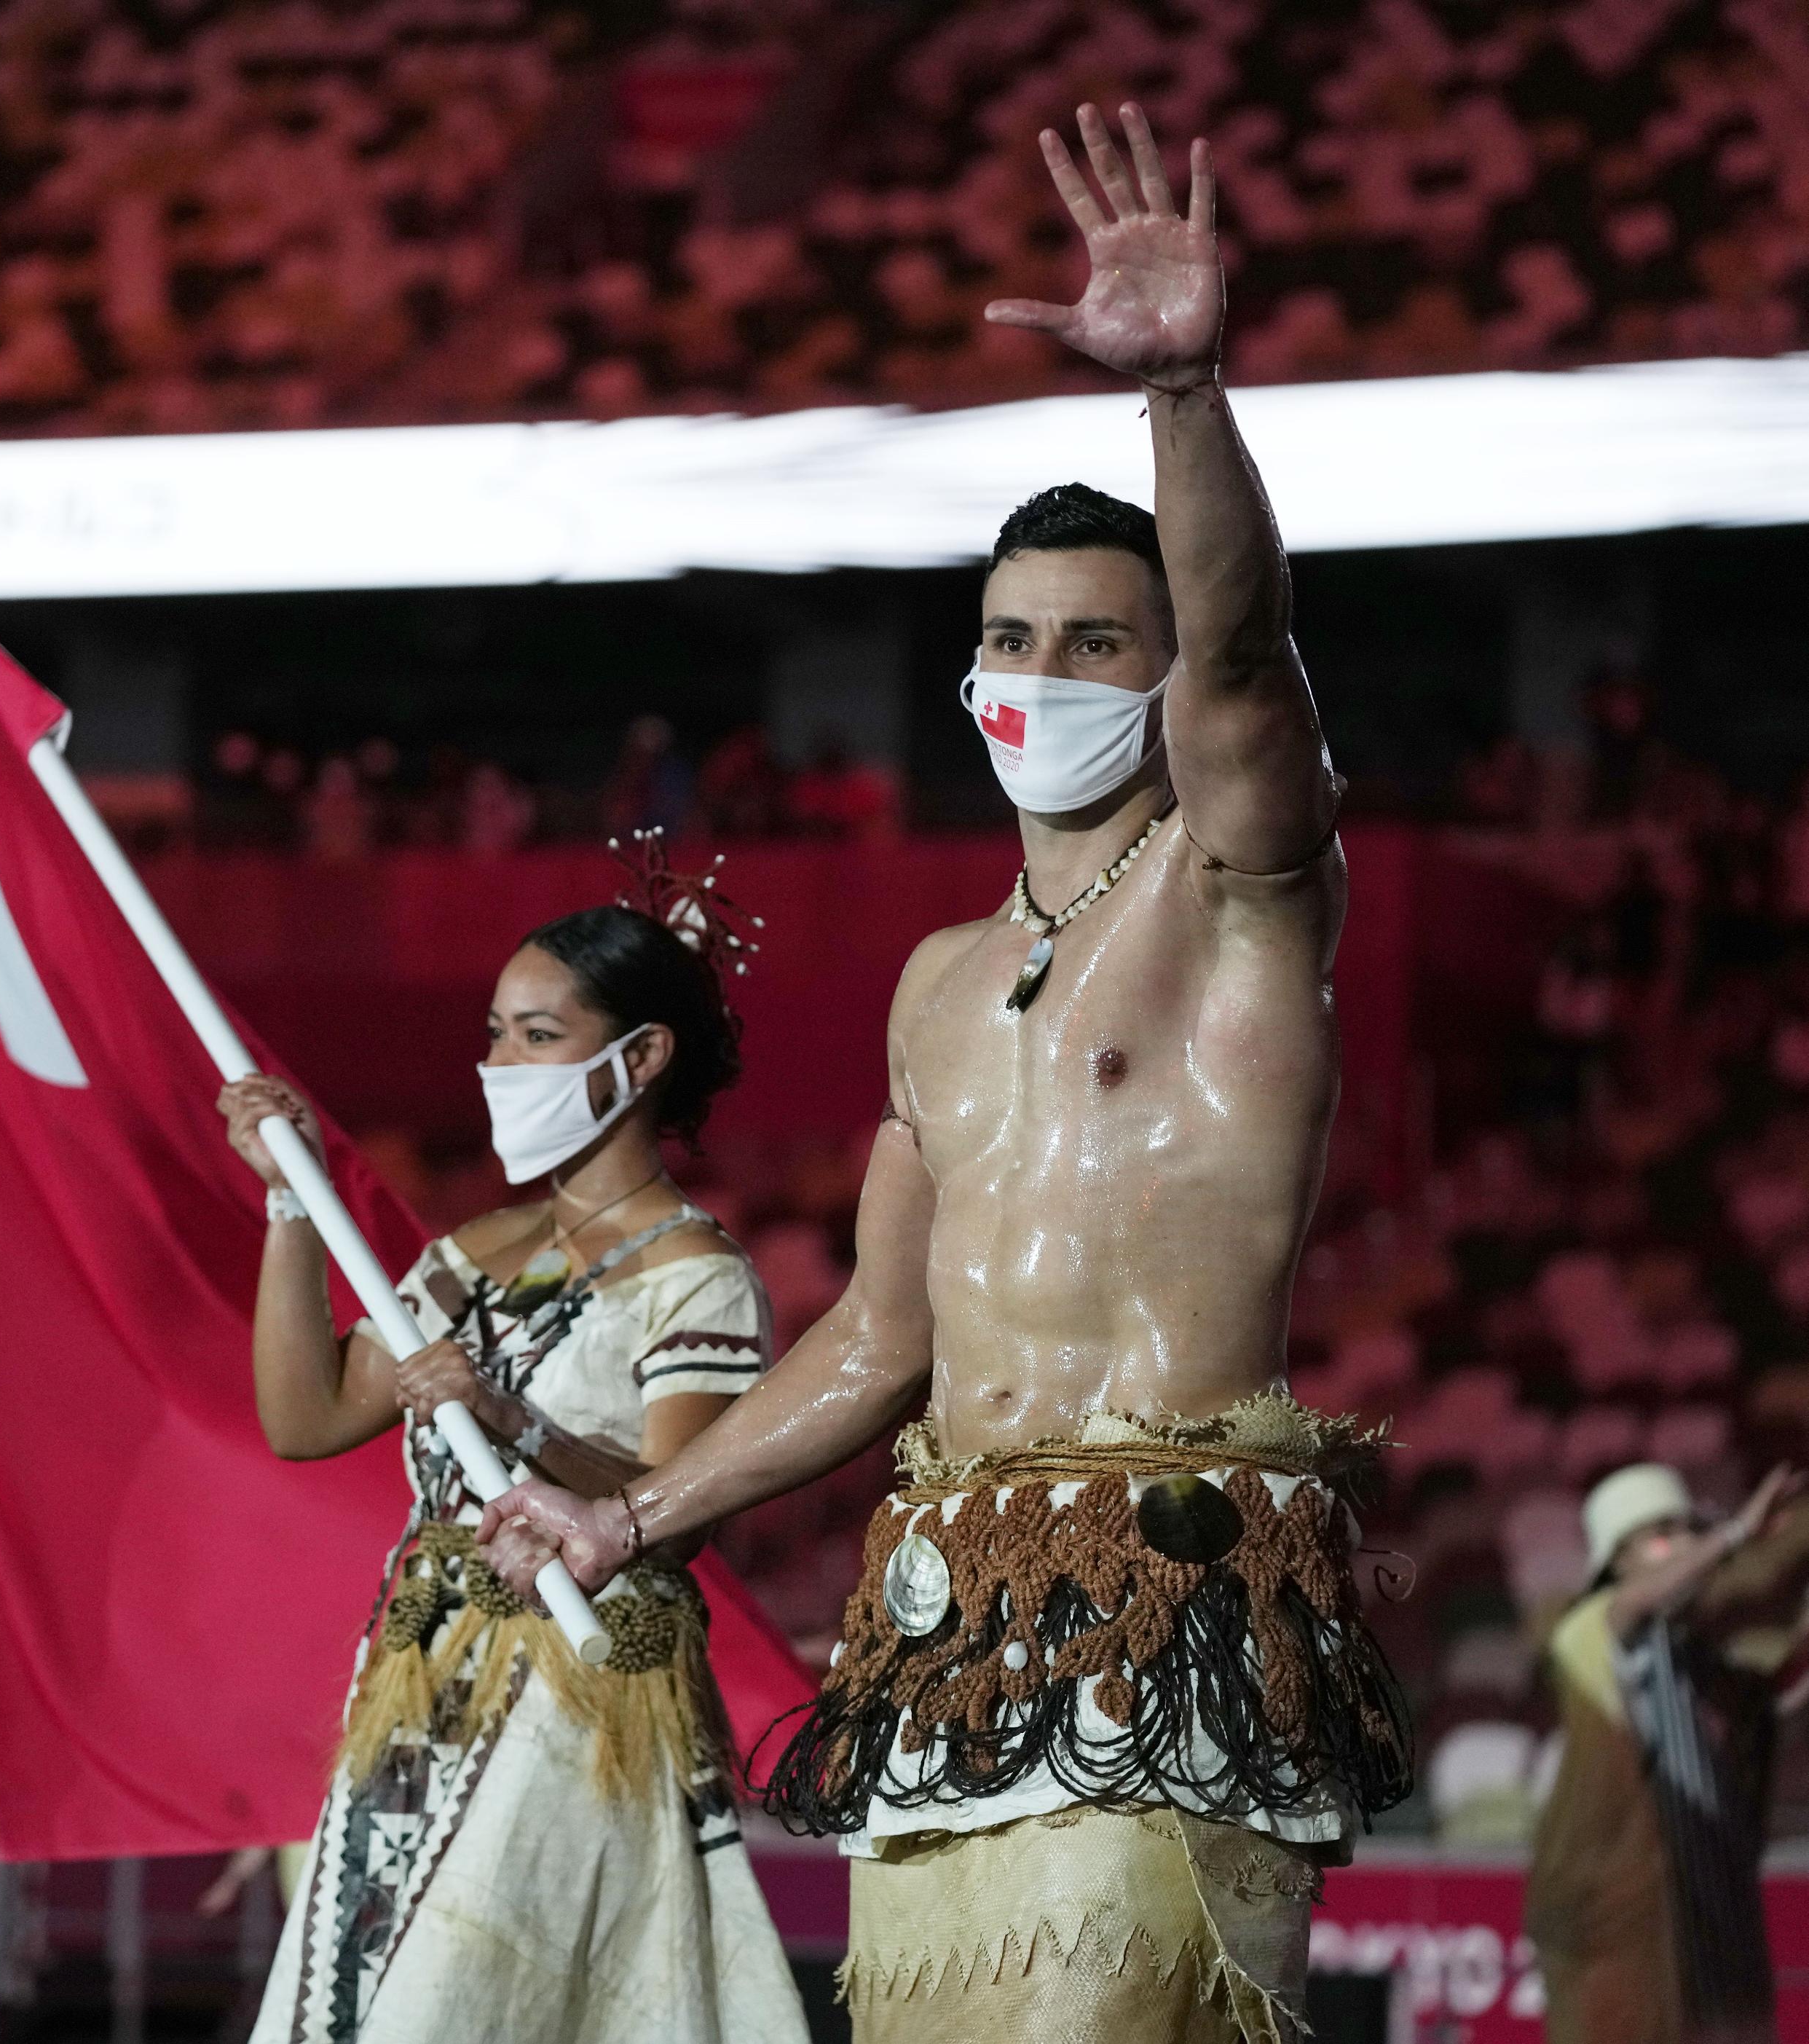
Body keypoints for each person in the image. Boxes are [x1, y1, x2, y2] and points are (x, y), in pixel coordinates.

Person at [478, 102, 1411, 2044]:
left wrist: (1188, 395)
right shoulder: (932, 983)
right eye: (1009, 640)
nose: (1040, 675)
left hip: (1176, 1606)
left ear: (1157, 682)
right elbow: (874, 1338)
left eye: (1094, 643)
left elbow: (1247, 665)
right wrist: (635, 1518)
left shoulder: (1241, 894)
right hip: (948, 1626)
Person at [217, 868, 806, 2044]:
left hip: (575, 1696)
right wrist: (295, 1205)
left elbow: (672, 1513)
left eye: (540, 1036)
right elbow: (308, 1415)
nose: (503, 1065)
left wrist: (505, 1415)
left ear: (637, 1062)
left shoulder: (697, 1275)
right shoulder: (473, 1250)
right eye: (497, 1034)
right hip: (420, 1680)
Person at [1526, 1461, 1809, 2044]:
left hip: (1711, 1912)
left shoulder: (1692, 1656)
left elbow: (1777, 1691)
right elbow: (1634, 1605)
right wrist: (1731, 1536)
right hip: (1634, 1922)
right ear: (1617, 1560)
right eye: (1663, 1534)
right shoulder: (1590, 1628)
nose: (1684, 1545)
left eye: (1688, 1529)